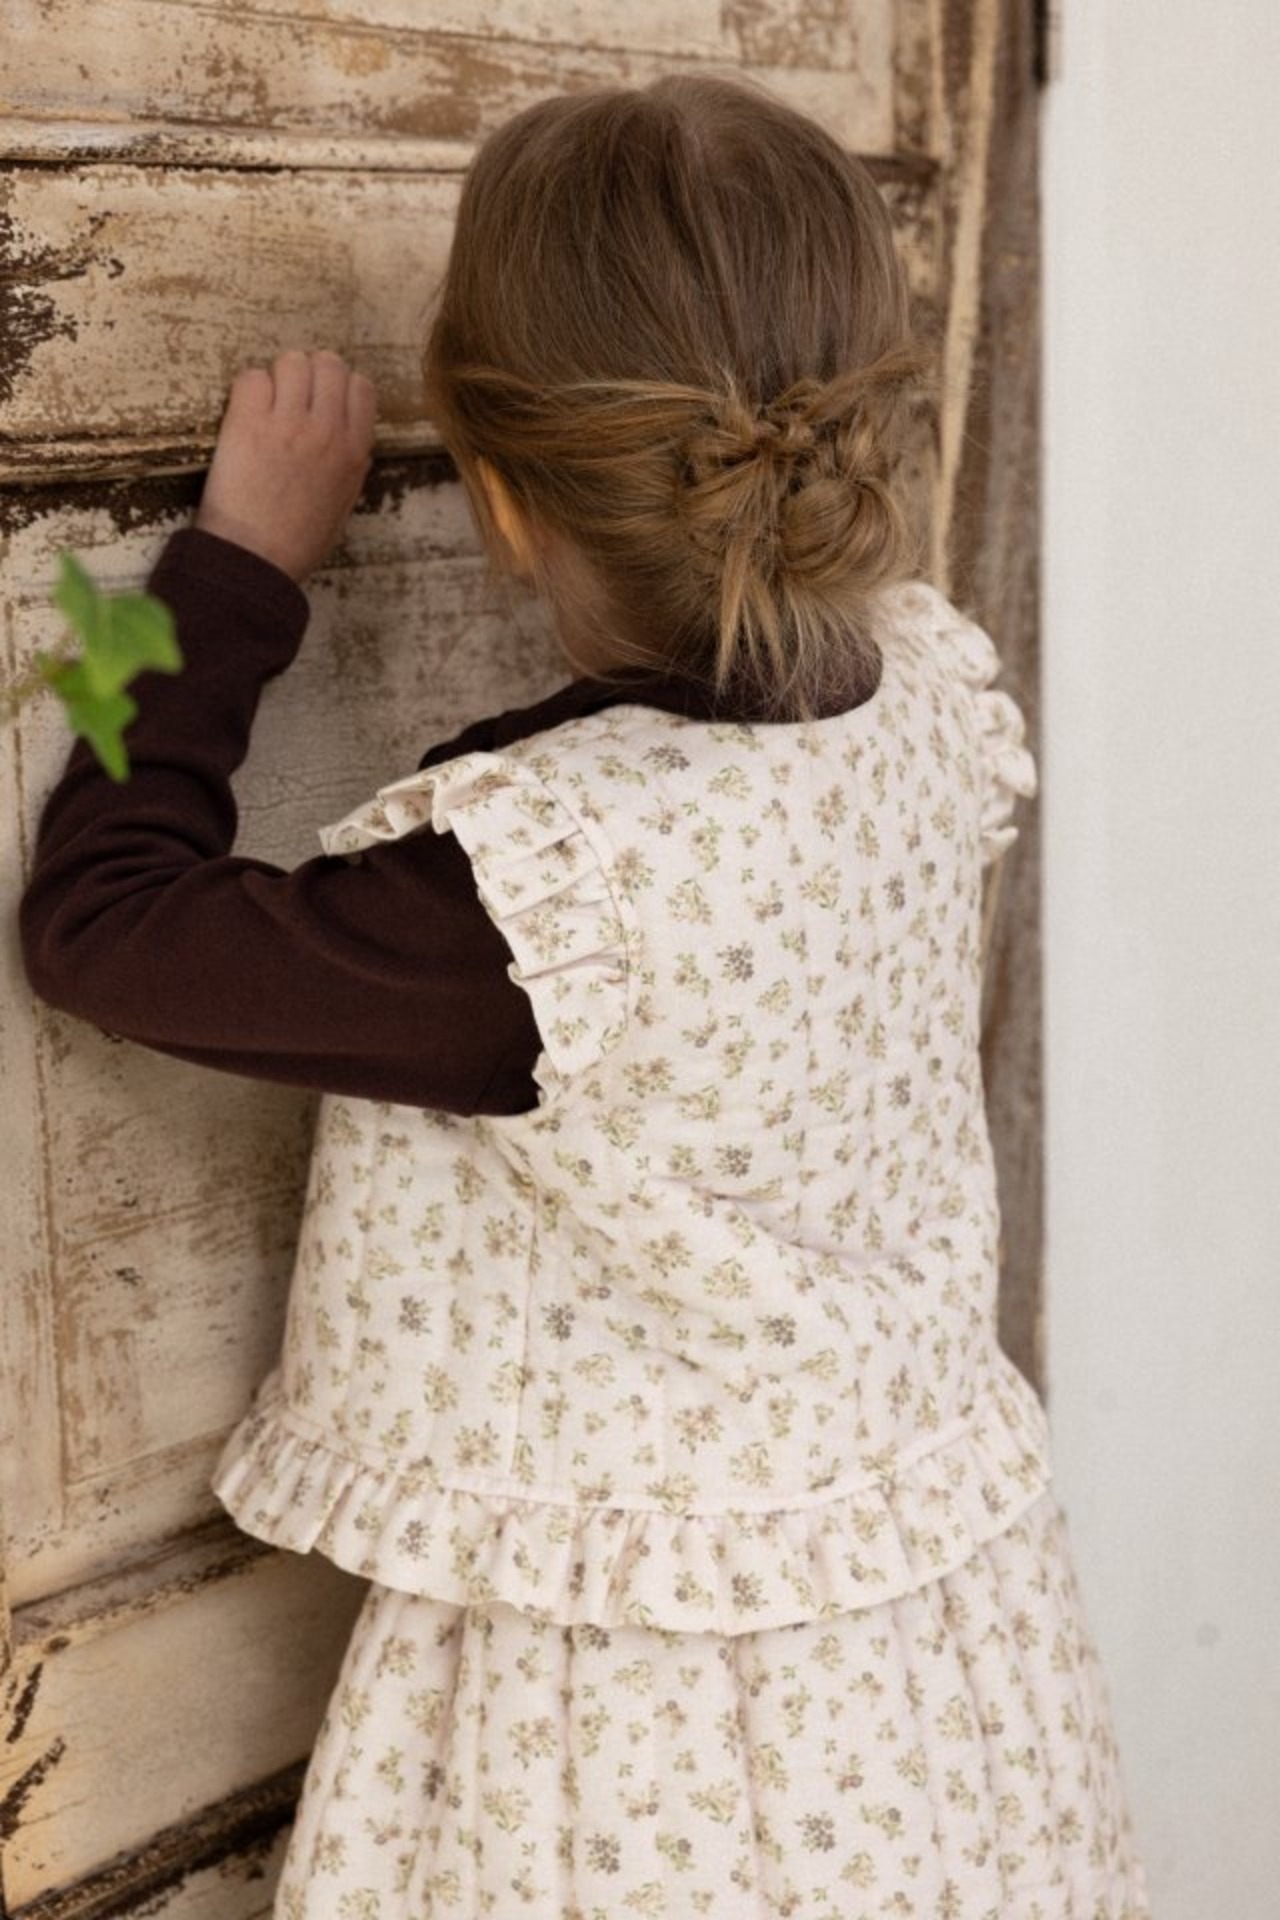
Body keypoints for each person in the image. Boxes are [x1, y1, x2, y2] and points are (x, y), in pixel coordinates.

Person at [20, 73, 1150, 1920]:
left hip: (650, 1745)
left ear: (498, 495)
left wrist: (218, 582)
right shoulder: (926, 698)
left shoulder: (541, 903)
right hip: (943, 1675)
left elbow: (102, 921)